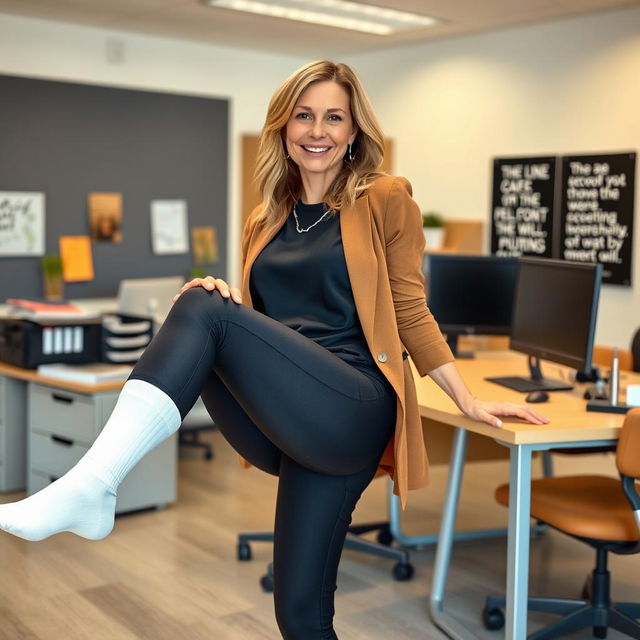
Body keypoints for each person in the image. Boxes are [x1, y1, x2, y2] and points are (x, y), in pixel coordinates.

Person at [0, 61, 548, 639]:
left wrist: (467, 401)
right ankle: (93, 487)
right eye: (304, 116)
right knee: (300, 617)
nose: (319, 131)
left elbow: (411, 309)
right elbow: (267, 326)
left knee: (204, 309)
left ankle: (93, 484)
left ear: (355, 131)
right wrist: (231, 312)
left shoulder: (385, 198)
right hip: (294, 416)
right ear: (283, 128)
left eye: (335, 117)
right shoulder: (266, 218)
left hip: (353, 406)